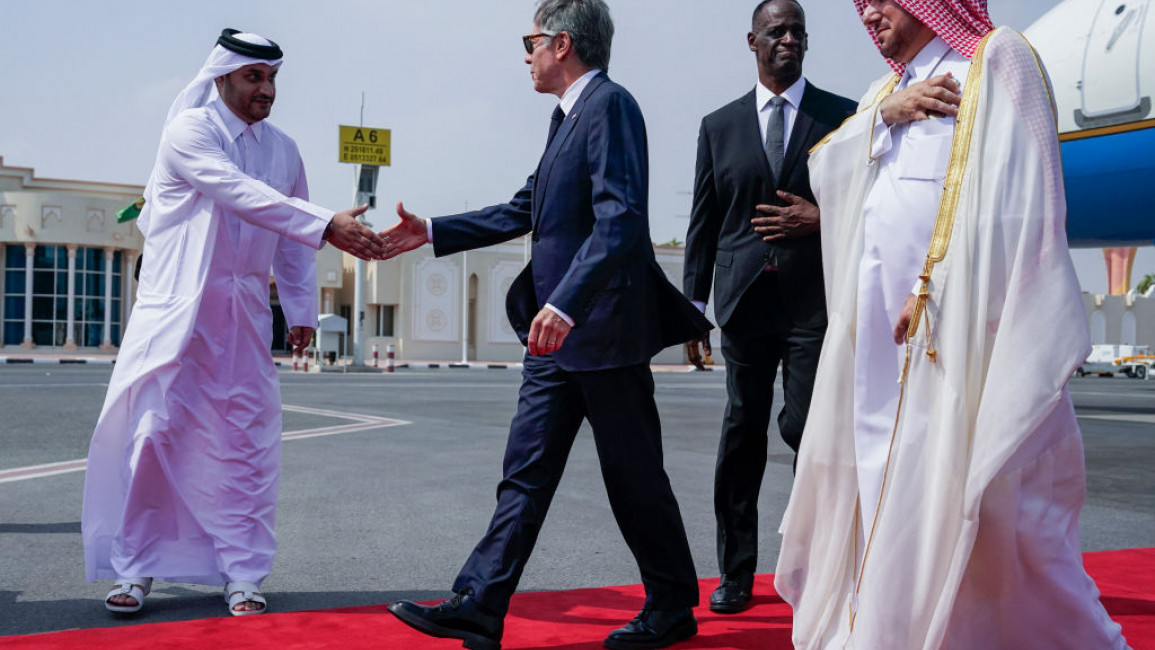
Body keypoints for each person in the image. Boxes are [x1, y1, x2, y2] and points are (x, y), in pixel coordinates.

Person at [774, 1, 1132, 648]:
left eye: (882, 0)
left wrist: (941, 283)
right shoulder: (885, 91)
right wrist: (880, 118)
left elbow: (1027, 198)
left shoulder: (995, 60)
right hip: (881, 348)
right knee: (889, 490)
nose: (870, 14)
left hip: (961, 339)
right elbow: (826, 168)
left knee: (994, 510)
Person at [380, 2, 710, 648]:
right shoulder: (566, 119)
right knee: (524, 471)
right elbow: (526, 207)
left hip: (600, 332)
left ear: (561, 44)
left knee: (633, 477)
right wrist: (434, 232)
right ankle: (480, 601)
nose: (524, 57)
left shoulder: (610, 106)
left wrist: (567, 302)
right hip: (552, 340)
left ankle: (672, 605)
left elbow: (621, 219)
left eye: (529, 43)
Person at [82, 29, 385, 617]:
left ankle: (243, 574)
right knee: (152, 436)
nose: (266, 90)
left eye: (272, 78)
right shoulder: (190, 132)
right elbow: (239, 192)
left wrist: (299, 310)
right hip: (174, 312)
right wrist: (325, 222)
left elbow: (290, 243)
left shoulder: (285, 150)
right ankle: (136, 568)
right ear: (221, 78)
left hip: (243, 316)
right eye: (254, 77)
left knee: (245, 443)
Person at [682, 0, 855, 615]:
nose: (789, 39)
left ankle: (822, 567)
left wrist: (822, 216)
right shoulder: (718, 125)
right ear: (751, 40)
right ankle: (735, 574)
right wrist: (692, 309)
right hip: (744, 303)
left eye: (798, 32)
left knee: (807, 429)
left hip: (814, 302)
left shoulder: (843, 117)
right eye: (777, 31)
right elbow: (703, 224)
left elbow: (871, 204)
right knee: (741, 437)